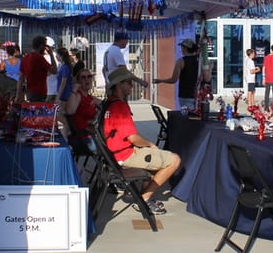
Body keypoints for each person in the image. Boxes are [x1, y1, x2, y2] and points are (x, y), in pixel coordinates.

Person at [102, 67, 180, 216]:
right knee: (174, 160)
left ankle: (144, 192)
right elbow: (133, 138)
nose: (131, 86)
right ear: (119, 85)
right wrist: (150, 144)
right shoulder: (119, 107)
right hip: (125, 155)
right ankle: (145, 199)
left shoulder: (108, 103)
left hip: (115, 154)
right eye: (128, 82)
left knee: (154, 157)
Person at [152, 38, 204, 109]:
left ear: (185, 48)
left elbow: (173, 80)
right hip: (198, 95)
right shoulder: (200, 61)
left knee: (187, 115)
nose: (181, 49)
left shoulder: (181, 61)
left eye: (182, 47)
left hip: (185, 95)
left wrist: (161, 80)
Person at [19, 35, 57, 102]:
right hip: (40, 92)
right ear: (41, 46)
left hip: (30, 91)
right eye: (45, 46)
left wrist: (18, 95)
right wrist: (51, 55)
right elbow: (54, 70)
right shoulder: (40, 58)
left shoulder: (25, 58)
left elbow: (21, 78)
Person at [64, 67, 100, 138]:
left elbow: (105, 105)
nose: (87, 79)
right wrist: (74, 89)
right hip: (82, 136)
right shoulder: (77, 95)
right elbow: (70, 111)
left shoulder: (91, 97)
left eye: (89, 76)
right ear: (79, 81)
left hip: (91, 133)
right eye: (83, 77)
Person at [262, 44, 273, 108]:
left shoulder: (266, 57)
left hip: (268, 77)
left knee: (267, 92)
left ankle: (266, 107)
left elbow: (264, 68)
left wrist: (263, 78)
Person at [45, 37, 61, 102]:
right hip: (50, 89)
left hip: (51, 90)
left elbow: (53, 71)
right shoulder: (47, 56)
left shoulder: (53, 57)